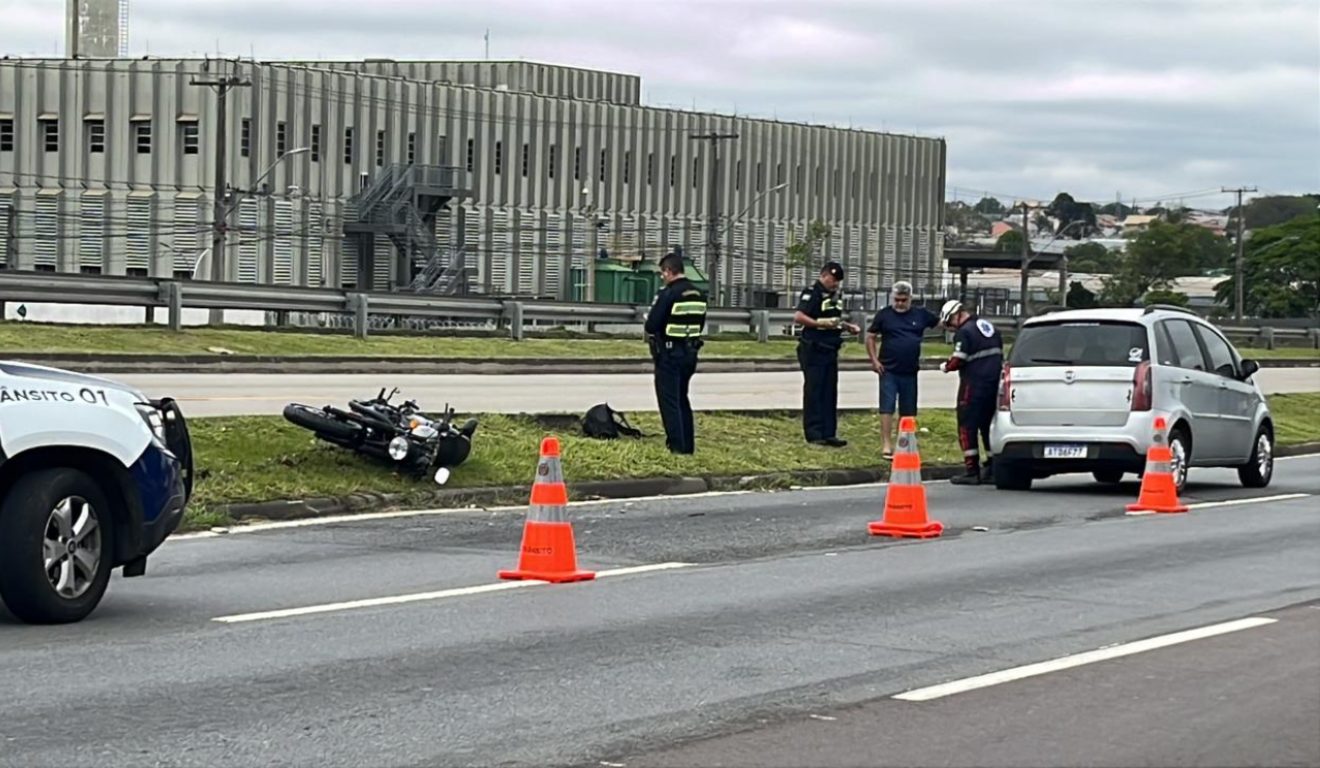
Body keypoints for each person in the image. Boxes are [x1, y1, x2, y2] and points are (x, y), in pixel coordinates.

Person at [866, 281, 941, 459]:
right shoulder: (884, 315)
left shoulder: (921, 314)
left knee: (908, 410)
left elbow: (942, 323)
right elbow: (870, 337)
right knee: (887, 407)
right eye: (897, 300)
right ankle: (886, 444)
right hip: (888, 370)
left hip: (910, 371)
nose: (900, 304)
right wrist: (874, 361)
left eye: (903, 300)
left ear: (910, 299)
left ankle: (905, 443)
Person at [644, 251, 708, 454]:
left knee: (669, 402)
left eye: (662, 273)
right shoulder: (698, 294)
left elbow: (652, 324)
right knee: (682, 399)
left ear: (669, 271)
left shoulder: (668, 293)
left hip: (669, 355)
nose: (662, 277)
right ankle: (688, 446)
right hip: (690, 353)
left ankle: (677, 447)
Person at [794, 261, 861, 447]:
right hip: (814, 348)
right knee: (814, 391)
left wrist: (848, 326)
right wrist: (819, 324)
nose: (835, 284)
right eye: (833, 280)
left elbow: (834, 319)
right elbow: (799, 316)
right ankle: (814, 434)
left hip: (831, 349)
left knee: (829, 391)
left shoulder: (834, 296)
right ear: (824, 276)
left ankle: (829, 432)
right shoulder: (812, 293)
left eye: (838, 282)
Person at [937, 299, 1004, 485]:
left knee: (966, 426)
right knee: (987, 426)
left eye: (949, 323)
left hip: (973, 385)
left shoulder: (964, 332)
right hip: (993, 384)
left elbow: (958, 359)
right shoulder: (989, 327)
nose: (950, 328)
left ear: (955, 315)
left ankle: (971, 470)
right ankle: (992, 468)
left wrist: (945, 366)